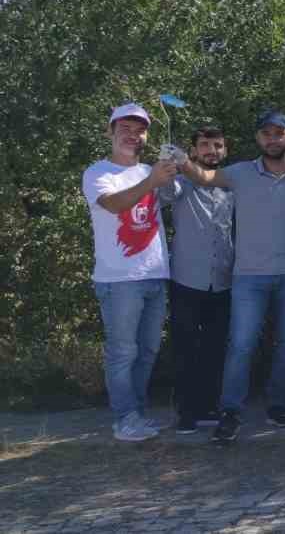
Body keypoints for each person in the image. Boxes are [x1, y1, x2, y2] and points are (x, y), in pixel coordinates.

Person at [180, 110, 285, 444]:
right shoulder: (239, 173)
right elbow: (205, 178)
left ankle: (278, 406)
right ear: (257, 138)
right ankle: (231, 410)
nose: (273, 139)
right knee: (241, 344)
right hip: (248, 275)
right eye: (266, 134)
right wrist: (180, 160)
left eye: (279, 133)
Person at [84, 103, 177, 442]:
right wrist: (152, 179)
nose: (132, 134)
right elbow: (113, 204)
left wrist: (172, 169)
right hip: (118, 279)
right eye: (124, 127)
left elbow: (173, 196)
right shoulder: (97, 173)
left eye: (139, 130)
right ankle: (124, 418)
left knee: (148, 349)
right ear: (110, 131)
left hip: (155, 274)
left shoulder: (152, 171)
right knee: (123, 351)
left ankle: (136, 414)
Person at [158, 125, 234, 435]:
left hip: (225, 280)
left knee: (216, 348)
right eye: (204, 145)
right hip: (187, 279)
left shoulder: (231, 184)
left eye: (217, 145)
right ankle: (186, 411)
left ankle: (209, 405)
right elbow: (164, 192)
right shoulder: (180, 182)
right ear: (193, 151)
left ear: (224, 150)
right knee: (186, 348)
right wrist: (165, 164)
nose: (211, 150)